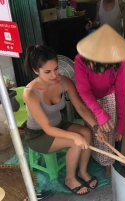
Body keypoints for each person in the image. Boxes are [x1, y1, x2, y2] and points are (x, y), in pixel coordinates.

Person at [23, 45, 108, 195]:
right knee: (75, 141)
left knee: (87, 133)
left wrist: (97, 127)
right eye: (47, 72)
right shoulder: (30, 93)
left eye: (56, 68)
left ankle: (82, 171)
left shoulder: (65, 81)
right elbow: (47, 128)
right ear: (36, 71)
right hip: (39, 134)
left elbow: (81, 108)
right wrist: (74, 136)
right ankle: (70, 179)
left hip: (59, 125)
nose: (54, 75)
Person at [74, 24, 125, 178]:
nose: (100, 72)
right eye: (96, 66)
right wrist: (99, 112)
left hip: (108, 94)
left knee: (109, 130)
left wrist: (121, 122)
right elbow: (84, 91)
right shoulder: (80, 60)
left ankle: (108, 164)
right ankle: (95, 157)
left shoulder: (119, 63)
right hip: (89, 97)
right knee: (94, 129)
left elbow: (120, 92)